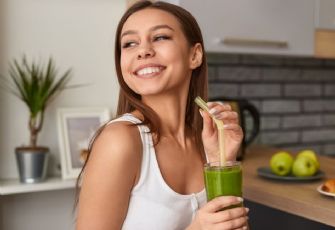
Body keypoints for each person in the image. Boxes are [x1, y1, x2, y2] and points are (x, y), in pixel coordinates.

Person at [75, 1, 249, 229]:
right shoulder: (120, 141)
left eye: (159, 37)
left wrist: (221, 161)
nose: (143, 50)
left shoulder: (206, 143)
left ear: (194, 55)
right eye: (129, 43)